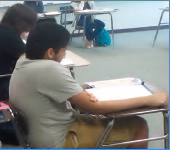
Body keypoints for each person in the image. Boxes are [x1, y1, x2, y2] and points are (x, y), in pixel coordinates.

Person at [9, 22, 169, 148]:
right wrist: (148, 100)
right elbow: (95, 108)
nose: (65, 54)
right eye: (64, 50)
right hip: (59, 139)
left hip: (38, 135)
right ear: (51, 52)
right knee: (139, 126)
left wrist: (78, 92)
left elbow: (49, 89)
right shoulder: (49, 69)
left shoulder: (24, 60)